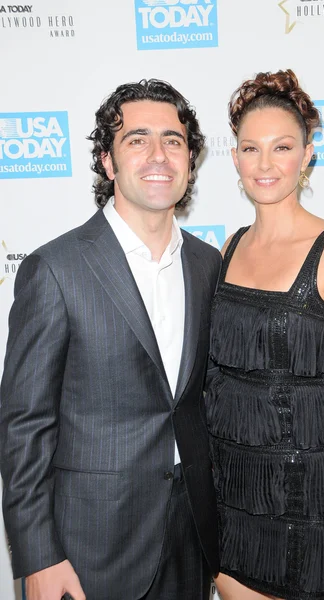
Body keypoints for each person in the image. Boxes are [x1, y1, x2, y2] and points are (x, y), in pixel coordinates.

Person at [0, 79, 221, 600]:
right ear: (107, 161)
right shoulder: (55, 269)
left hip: (191, 541)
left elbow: (210, 397)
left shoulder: (208, 264)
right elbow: (23, 427)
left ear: (190, 159)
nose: (158, 155)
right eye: (137, 139)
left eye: (174, 140)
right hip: (89, 551)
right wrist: (39, 557)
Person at [205, 69, 324, 600]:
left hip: (314, 499)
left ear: (308, 153)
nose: (264, 164)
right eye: (250, 148)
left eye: (282, 147)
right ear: (236, 158)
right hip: (234, 498)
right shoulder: (228, 250)